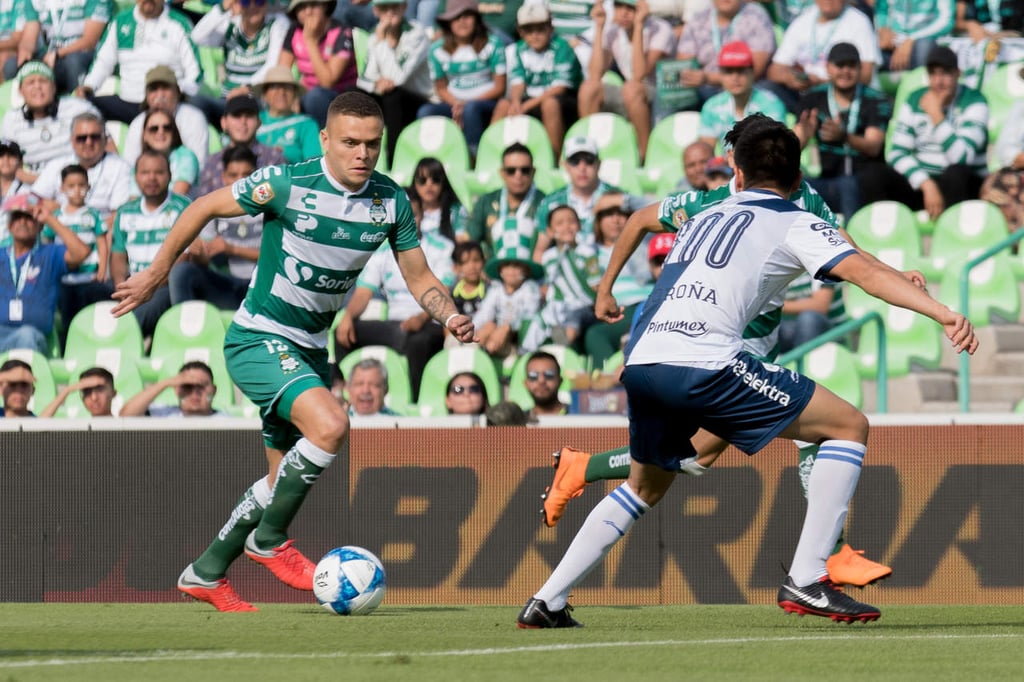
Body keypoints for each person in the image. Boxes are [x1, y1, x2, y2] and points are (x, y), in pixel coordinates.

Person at [517, 117, 978, 629]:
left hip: (645, 359)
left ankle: (547, 600)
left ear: (736, 169)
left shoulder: (708, 206)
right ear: (798, 174)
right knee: (847, 425)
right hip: (706, 360)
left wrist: (606, 291)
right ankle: (809, 577)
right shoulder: (794, 219)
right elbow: (862, 273)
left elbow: (853, 257)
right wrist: (944, 313)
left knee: (652, 483)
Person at [111, 91, 476, 612]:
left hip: (310, 351)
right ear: (325, 139)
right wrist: (155, 272)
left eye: (372, 144)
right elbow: (203, 206)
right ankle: (269, 541)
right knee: (331, 426)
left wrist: (449, 314)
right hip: (257, 338)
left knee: (278, 481)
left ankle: (206, 572)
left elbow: (418, 277)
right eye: (350, 142)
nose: (362, 154)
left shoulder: (390, 200)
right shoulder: (286, 183)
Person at [334, 187, 456, 401]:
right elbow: (363, 293)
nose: (408, 220)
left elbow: (443, 292)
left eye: (413, 214)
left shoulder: (442, 247)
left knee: (418, 341)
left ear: (422, 215)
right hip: (395, 325)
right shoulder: (381, 250)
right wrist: (348, 316)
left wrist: (421, 317)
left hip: (428, 323)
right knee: (343, 333)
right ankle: (342, 396)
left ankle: (416, 402)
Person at [865, 45, 988, 220]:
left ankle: (954, 236)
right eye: (933, 74)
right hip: (923, 184)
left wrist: (936, 115)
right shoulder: (914, 99)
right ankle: (882, 238)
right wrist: (926, 183)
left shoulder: (974, 100)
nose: (938, 81)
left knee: (956, 174)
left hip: (963, 185)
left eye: (945, 73)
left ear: (957, 74)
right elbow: (896, 153)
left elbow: (962, 157)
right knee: (873, 175)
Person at [792, 42, 892, 221]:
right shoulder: (813, 98)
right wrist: (804, 138)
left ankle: (851, 244)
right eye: (840, 65)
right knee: (793, 185)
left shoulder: (875, 100)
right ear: (828, 67)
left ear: (860, 68)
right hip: (828, 180)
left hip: (865, 183)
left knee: (848, 185)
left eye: (851, 65)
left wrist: (844, 136)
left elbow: (874, 146)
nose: (845, 71)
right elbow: (792, 148)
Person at [577, 0, 675, 163]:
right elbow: (594, 74)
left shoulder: (661, 29)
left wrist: (638, 26)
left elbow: (640, 75)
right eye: (619, 6)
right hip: (631, 93)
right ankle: (587, 153)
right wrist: (600, 27)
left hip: (662, 96)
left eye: (630, 7)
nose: (624, 12)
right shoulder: (613, 30)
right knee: (589, 88)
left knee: (632, 88)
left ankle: (645, 157)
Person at [77, 0, 204, 124]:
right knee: (82, 107)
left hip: (166, 105)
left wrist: (174, 94)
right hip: (128, 101)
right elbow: (103, 62)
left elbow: (195, 74)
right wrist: (89, 86)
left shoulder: (179, 23)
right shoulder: (120, 22)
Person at [110, 149, 193, 338]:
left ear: (170, 175)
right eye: (145, 173)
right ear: (136, 177)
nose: (152, 178)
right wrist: (123, 289)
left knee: (131, 322)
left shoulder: (184, 208)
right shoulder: (125, 212)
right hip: (132, 287)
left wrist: (148, 286)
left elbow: (183, 258)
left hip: (163, 287)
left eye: (159, 172)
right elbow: (118, 256)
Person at [169, 144, 261, 310]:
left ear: (257, 175)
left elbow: (276, 257)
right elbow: (205, 260)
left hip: (260, 286)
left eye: (247, 174)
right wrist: (198, 253)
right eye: (233, 175)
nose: (240, 180)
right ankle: (184, 327)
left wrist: (231, 249)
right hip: (225, 285)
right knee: (182, 272)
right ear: (224, 177)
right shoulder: (215, 209)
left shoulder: (268, 208)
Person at [0, 192, 90, 354]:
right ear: (9, 225)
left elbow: (82, 252)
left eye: (29, 217)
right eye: (17, 217)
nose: (22, 222)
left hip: (33, 336)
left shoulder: (50, 254)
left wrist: (50, 219)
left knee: (25, 335)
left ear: (39, 225)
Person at [418, 0, 506, 157]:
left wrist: (467, 103)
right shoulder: (437, 49)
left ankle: (473, 158)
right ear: (448, 23)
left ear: (477, 19)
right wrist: (456, 103)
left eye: (467, 16)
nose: (462, 21)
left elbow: (499, 87)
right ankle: (433, 158)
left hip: (486, 102)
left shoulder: (493, 43)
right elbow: (441, 88)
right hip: (454, 102)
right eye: (456, 17)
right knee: (426, 111)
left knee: (471, 110)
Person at [494, 3, 582, 159]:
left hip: (566, 101)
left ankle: (553, 159)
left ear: (550, 28)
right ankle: (494, 154)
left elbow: (560, 88)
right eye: (528, 30)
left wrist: (525, 106)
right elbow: (518, 82)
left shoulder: (562, 47)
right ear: (520, 32)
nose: (535, 35)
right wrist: (515, 102)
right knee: (503, 105)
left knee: (550, 105)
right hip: (533, 100)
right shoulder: (517, 50)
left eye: (540, 29)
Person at [764, 0, 881, 114]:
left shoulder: (859, 22)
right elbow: (774, 71)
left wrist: (822, 83)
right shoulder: (803, 21)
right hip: (803, 96)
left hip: (842, 98)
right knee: (767, 88)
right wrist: (790, 78)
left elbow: (866, 75)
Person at [40, 163, 109, 351]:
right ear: (62, 189)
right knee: (67, 318)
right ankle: (67, 352)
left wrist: (103, 268)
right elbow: (47, 242)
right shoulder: (56, 217)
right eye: (71, 186)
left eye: (81, 185)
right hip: (64, 279)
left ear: (88, 187)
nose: (77, 191)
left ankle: (92, 348)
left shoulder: (93, 215)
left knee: (89, 316)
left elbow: (102, 242)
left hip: (88, 277)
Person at [355, 0, 434, 165]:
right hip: (388, 94)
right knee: (354, 94)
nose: (390, 12)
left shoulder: (416, 34)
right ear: (376, 11)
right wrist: (377, 84)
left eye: (394, 6)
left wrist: (383, 42)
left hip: (418, 98)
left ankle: (394, 161)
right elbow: (364, 78)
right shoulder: (374, 35)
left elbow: (398, 78)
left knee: (393, 95)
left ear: (404, 7)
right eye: (384, 8)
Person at [190, 0, 291, 126]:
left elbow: (272, 65)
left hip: (258, 99)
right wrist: (223, 6)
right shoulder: (231, 24)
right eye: (245, 2)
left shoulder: (277, 23)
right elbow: (196, 37)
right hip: (227, 100)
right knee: (195, 103)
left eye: (259, 1)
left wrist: (246, 88)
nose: (253, 7)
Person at [0, 60, 99, 181]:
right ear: (20, 91)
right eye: (31, 82)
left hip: (78, 184)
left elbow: (106, 148)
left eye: (43, 81)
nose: (37, 86)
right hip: (31, 186)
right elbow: (8, 167)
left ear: (53, 87)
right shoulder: (11, 120)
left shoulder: (79, 109)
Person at [29, 112, 133, 227]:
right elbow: (32, 199)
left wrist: (86, 228)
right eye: (81, 138)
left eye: (95, 137)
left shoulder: (120, 167)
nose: (88, 142)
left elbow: (118, 215)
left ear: (105, 140)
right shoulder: (56, 165)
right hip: (58, 232)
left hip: (101, 235)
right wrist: (57, 207)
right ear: (72, 141)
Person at [522, 204, 601, 351]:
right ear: (550, 232)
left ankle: (563, 350)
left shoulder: (587, 252)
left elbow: (595, 283)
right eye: (559, 223)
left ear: (579, 225)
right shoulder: (548, 257)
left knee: (571, 321)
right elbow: (550, 283)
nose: (566, 227)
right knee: (537, 321)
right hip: (557, 304)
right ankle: (527, 355)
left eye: (571, 221)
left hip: (580, 305)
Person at [535, 136, 635, 246]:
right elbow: (541, 248)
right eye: (575, 161)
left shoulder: (620, 199)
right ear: (566, 166)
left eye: (589, 160)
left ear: (599, 164)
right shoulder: (549, 203)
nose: (582, 167)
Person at [675, 0, 777, 106]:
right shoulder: (698, 18)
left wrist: (708, 78)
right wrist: (692, 77)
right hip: (705, 88)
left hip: (746, 87)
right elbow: (685, 64)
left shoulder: (757, 17)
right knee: (675, 93)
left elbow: (755, 70)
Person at [279, 0, 358, 128]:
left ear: (325, 6)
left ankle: (324, 141)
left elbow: (327, 82)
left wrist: (310, 41)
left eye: (313, 5)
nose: (308, 11)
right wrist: (292, 95)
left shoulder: (342, 32)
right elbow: (281, 72)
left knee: (315, 98)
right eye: (302, 7)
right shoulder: (294, 29)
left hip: (340, 97)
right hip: (306, 94)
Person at [698, 40, 787, 151]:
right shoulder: (711, 106)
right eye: (729, 71)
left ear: (752, 72)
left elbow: (774, 151)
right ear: (720, 75)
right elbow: (706, 151)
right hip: (726, 167)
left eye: (741, 71)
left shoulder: (771, 104)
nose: (735, 77)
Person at [193, 94, 287, 198]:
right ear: (224, 123)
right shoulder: (212, 162)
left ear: (259, 122)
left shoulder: (275, 159)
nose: (243, 122)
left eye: (249, 116)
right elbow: (202, 203)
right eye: (236, 116)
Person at [9, 0, 110, 95]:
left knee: (73, 61)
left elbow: (90, 41)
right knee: (12, 64)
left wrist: (57, 54)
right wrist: (26, 49)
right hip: (51, 55)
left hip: (84, 53)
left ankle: (79, 106)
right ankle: (26, 111)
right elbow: (30, 35)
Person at [464, 142, 545, 257]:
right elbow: (469, 244)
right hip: (491, 271)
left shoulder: (545, 204)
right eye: (511, 171)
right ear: (502, 173)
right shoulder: (485, 202)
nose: (518, 175)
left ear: (533, 172)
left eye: (525, 170)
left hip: (533, 272)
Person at [121, 65, 209, 167]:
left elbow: (199, 166)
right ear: (147, 96)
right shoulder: (138, 123)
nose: (160, 95)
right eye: (154, 89)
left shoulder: (194, 119)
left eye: (165, 88)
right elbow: (130, 167)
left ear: (177, 92)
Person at [472, 236, 543, 361]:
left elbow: (529, 313)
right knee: (488, 325)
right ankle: (476, 353)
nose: (511, 270)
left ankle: (485, 353)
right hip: (495, 334)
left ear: (525, 270)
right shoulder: (496, 289)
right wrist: (472, 329)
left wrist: (507, 327)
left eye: (516, 265)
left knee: (503, 329)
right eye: (507, 265)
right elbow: (484, 313)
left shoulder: (530, 288)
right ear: (500, 270)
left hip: (518, 338)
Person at [255, 65, 323, 164]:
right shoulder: (254, 120)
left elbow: (313, 164)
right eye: (275, 87)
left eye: (287, 88)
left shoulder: (306, 124)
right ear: (264, 94)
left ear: (295, 94)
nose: (282, 92)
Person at [131, 108, 201, 198]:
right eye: (154, 129)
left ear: (174, 132)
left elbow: (177, 198)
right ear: (144, 135)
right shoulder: (140, 163)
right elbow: (134, 201)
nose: (161, 132)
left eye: (167, 128)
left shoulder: (187, 157)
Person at [875, 0, 956, 73]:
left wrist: (911, 39)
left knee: (924, 47)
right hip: (893, 42)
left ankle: (920, 85)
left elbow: (946, 20)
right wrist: (882, 28)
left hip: (925, 42)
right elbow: (881, 10)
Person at [120, 360, 220, 417]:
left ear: (214, 390)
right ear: (177, 390)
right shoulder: (164, 415)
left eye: (201, 385)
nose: (195, 392)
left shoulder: (226, 421)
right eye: (187, 385)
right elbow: (126, 416)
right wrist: (166, 383)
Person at [407, 157, 467, 241]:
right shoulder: (406, 211)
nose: (429, 184)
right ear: (415, 183)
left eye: (435, 179)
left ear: (443, 183)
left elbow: (463, 242)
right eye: (422, 180)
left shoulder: (457, 210)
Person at [40, 365, 116, 417]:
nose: (94, 397)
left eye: (100, 390)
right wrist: (67, 390)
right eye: (87, 391)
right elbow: (37, 427)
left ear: (113, 393)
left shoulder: (124, 427)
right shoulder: (79, 429)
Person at [448, 240, 486, 332]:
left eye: (476, 260)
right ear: (456, 268)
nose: (472, 266)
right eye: (465, 262)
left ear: (484, 262)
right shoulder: (453, 292)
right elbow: (448, 321)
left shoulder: (490, 290)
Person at [521, 350, 568, 418]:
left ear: (560, 381)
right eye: (533, 376)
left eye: (549, 375)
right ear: (526, 383)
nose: (541, 381)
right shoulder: (518, 421)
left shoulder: (580, 416)